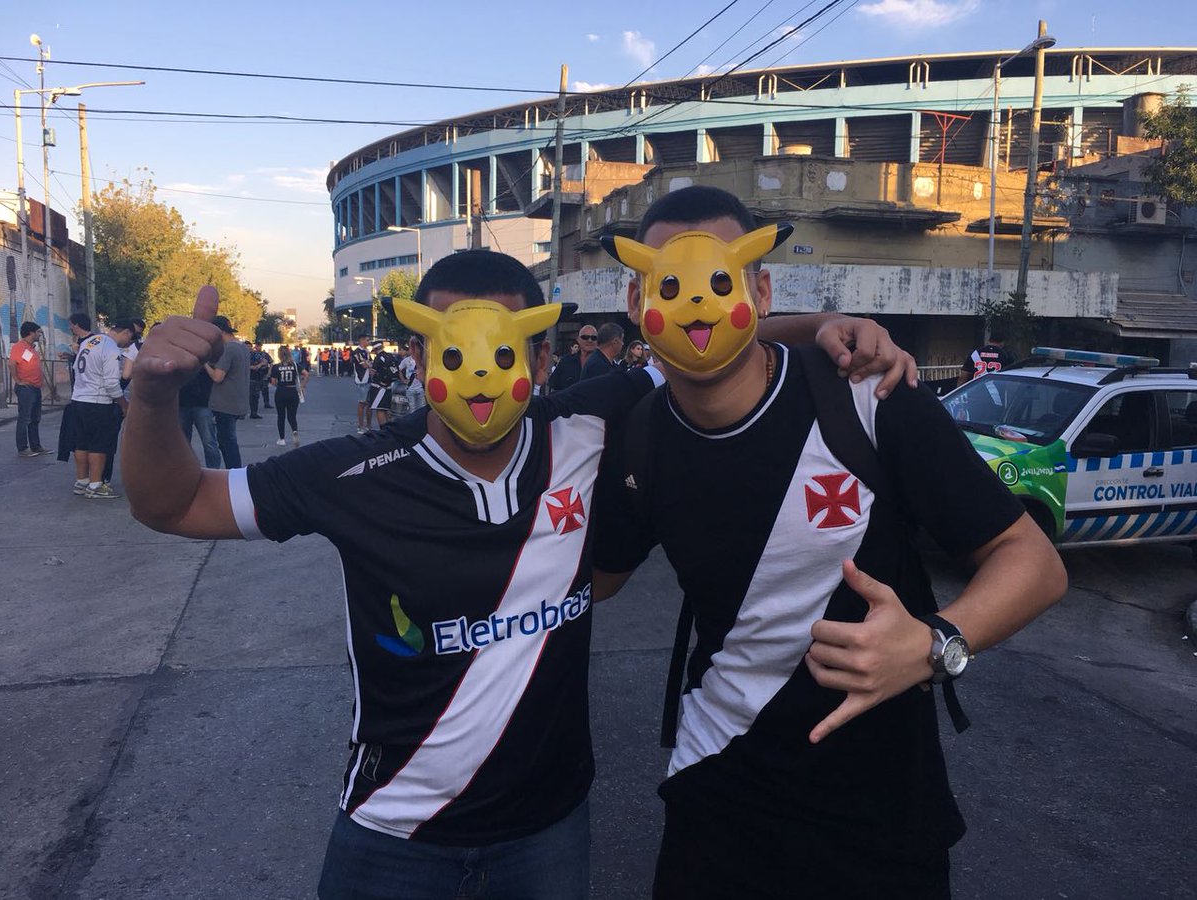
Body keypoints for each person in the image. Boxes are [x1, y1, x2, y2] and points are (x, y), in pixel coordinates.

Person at [120, 250, 914, 900]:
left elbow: (698, 338)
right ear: (419, 355)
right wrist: (152, 397)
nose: (478, 375)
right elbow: (175, 502)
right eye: (452, 348)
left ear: (540, 357)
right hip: (393, 834)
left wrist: (827, 328)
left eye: (503, 349)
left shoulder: (585, 425)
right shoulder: (355, 472)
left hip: (547, 833)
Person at [593, 185, 1068, 900]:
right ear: (636, 302)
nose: (696, 304)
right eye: (669, 283)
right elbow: (590, 581)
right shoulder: (640, 435)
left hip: (880, 815)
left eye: (720, 280)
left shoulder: (867, 396)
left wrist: (934, 642)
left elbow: (1032, 561)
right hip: (715, 791)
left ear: (760, 290)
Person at [70, 319, 136, 499]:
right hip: (98, 402)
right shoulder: (111, 348)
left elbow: (76, 369)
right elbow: (111, 384)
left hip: (79, 398)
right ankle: (96, 485)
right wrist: (124, 404)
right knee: (99, 445)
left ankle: (82, 481)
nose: (128, 343)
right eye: (129, 338)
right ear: (126, 332)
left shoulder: (90, 342)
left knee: (81, 443)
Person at [204, 316, 251, 469]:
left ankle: (234, 472)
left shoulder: (229, 349)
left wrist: (204, 364)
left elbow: (217, 377)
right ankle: (234, 471)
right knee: (228, 439)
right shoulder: (243, 348)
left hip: (225, 404)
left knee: (227, 441)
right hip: (239, 402)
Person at [10, 321, 48, 457]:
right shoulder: (19, 347)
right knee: (25, 418)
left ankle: (36, 446)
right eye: (38, 332)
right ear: (31, 332)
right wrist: (18, 381)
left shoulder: (31, 348)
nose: (39, 334)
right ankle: (22, 448)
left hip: (35, 387)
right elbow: (12, 364)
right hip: (26, 388)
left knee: (35, 418)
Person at [178, 368, 221, 468]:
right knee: (183, 442)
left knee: (209, 441)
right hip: (183, 402)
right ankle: (185, 469)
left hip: (203, 403)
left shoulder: (206, 361)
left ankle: (214, 470)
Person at [270, 345, 308, 447]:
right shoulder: (295, 365)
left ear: (279, 355)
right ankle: (294, 432)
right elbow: (306, 374)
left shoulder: (276, 367)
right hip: (292, 391)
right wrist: (302, 386)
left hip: (281, 391)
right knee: (292, 416)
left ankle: (282, 439)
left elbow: (273, 381)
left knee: (281, 416)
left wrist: (279, 384)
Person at [547, 325, 597, 392]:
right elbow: (554, 387)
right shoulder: (565, 362)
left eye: (593, 338)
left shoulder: (605, 363)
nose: (589, 340)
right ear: (578, 340)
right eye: (585, 337)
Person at [368, 340, 401, 428]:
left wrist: (370, 368)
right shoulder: (391, 356)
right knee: (386, 409)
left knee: (380, 409)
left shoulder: (378, 358)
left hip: (379, 387)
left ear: (376, 349)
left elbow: (373, 372)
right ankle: (389, 428)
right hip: (389, 386)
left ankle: (383, 430)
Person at [351, 335, 373, 433]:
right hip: (362, 380)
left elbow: (371, 363)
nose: (368, 342)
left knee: (369, 403)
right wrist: (368, 363)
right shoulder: (357, 352)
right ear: (362, 340)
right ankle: (360, 426)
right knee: (362, 403)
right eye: (367, 340)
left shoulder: (367, 351)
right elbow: (364, 365)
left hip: (369, 379)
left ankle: (369, 425)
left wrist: (368, 363)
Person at [248, 341, 274, 418]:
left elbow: (270, 362)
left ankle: (266, 403)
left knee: (264, 390)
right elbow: (251, 366)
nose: (258, 347)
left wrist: (269, 372)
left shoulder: (264, 354)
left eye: (260, 346)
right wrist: (260, 364)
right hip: (253, 376)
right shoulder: (251, 355)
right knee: (253, 395)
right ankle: (252, 412)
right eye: (257, 345)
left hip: (263, 375)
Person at [398, 343, 424, 411]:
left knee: (422, 408)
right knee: (412, 409)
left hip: (420, 388)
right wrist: (403, 380)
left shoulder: (422, 360)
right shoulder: (406, 360)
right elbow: (400, 369)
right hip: (410, 388)